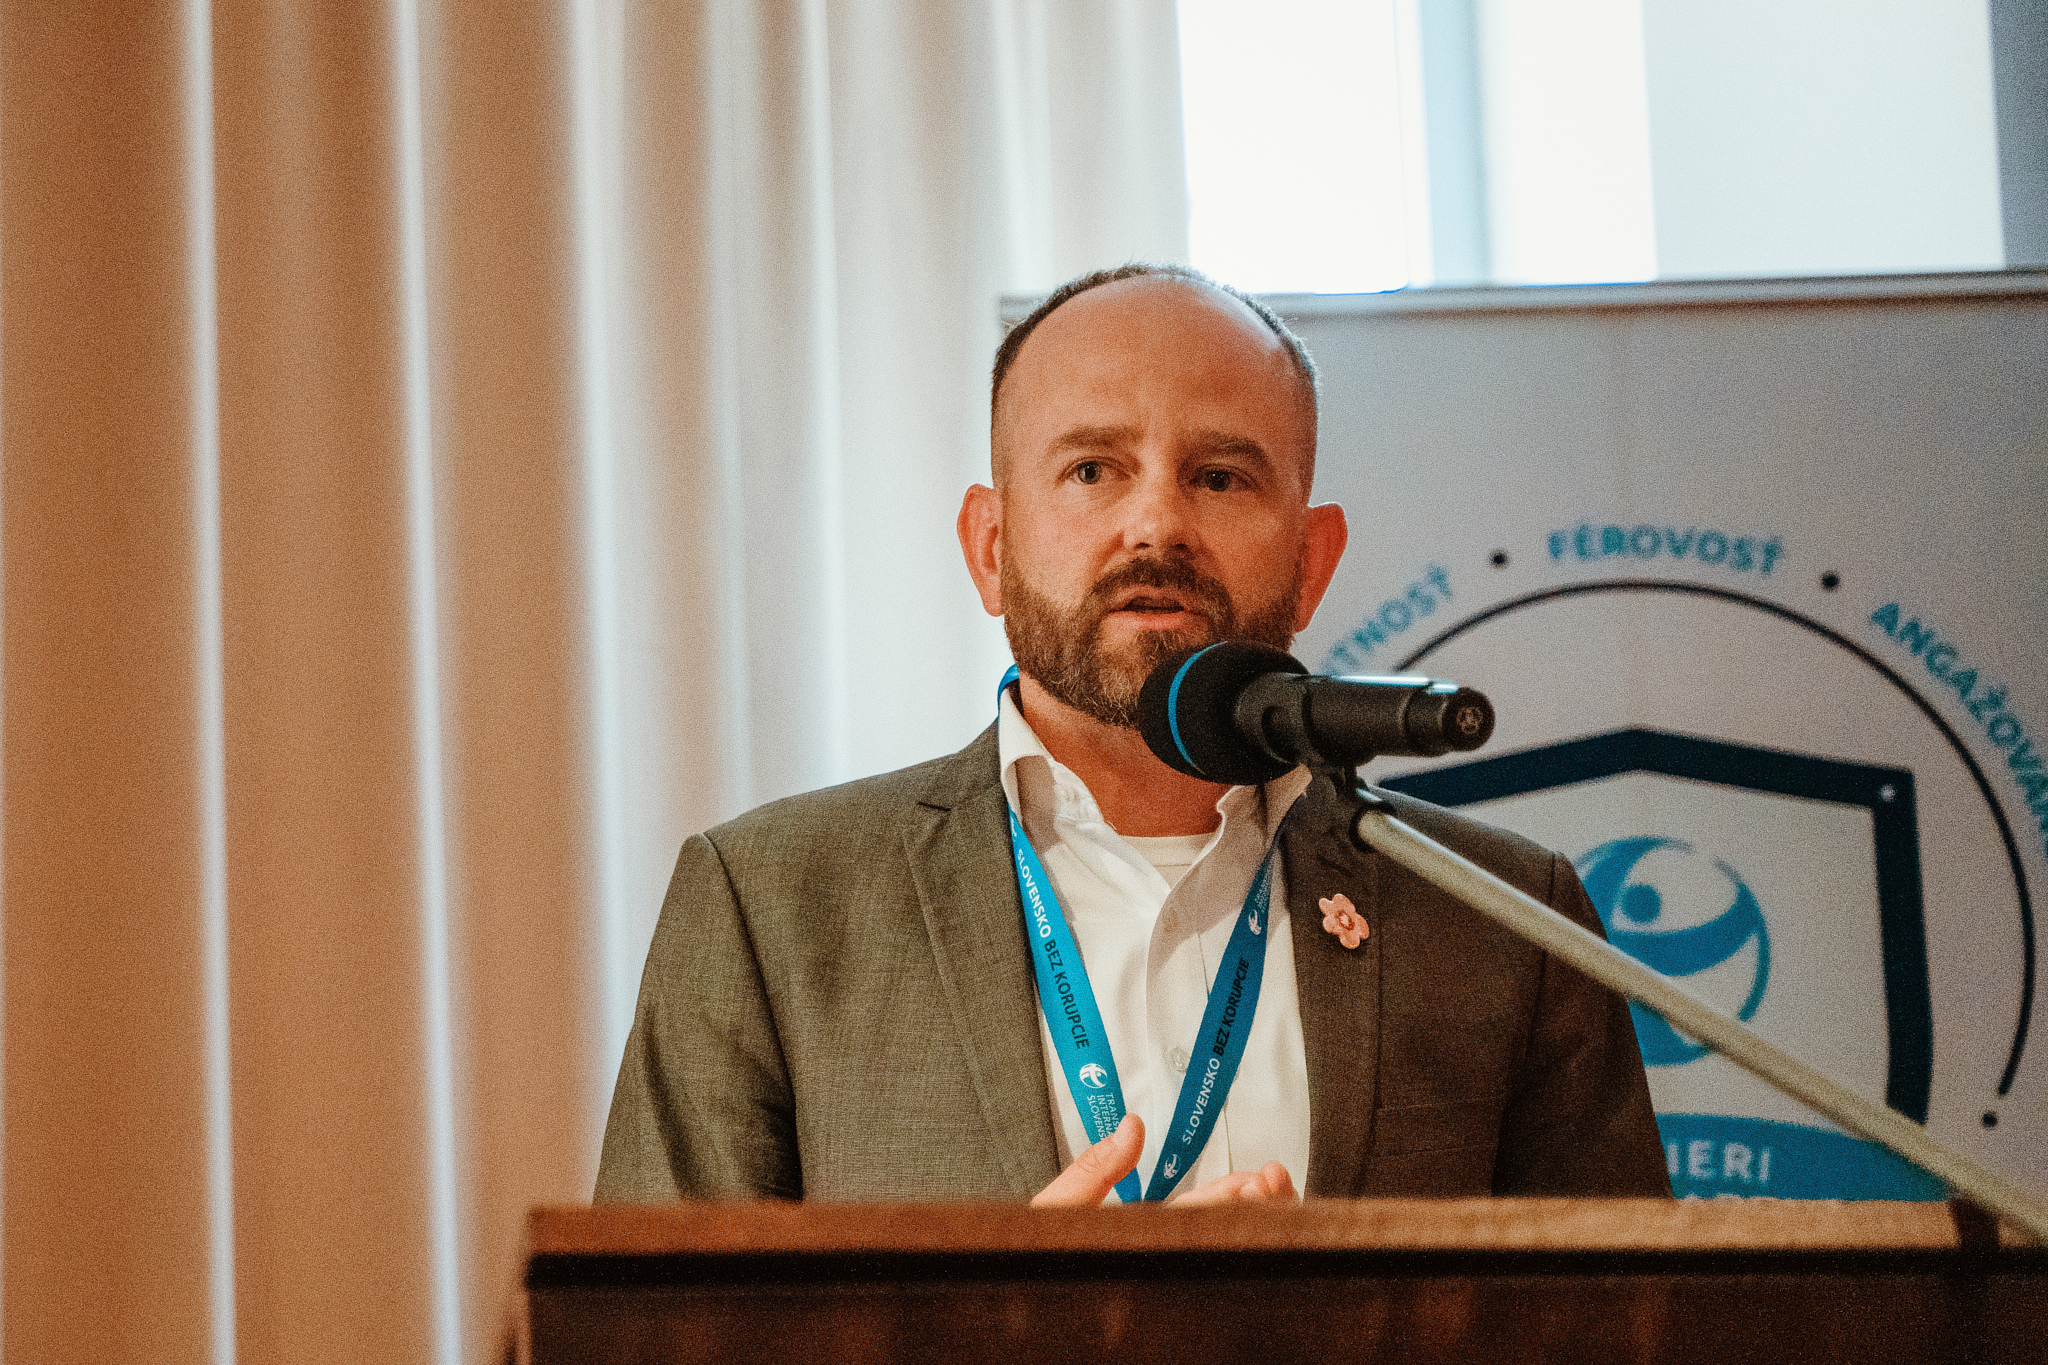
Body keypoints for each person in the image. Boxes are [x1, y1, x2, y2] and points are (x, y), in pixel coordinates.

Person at [595, 264, 1669, 1206]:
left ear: (1311, 561)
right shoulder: (770, 908)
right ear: (988, 548)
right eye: (1091, 470)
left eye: (1219, 476)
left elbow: (1628, 1332)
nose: (1155, 524)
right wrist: (991, 1331)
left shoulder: (1504, 918)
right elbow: (648, 1340)